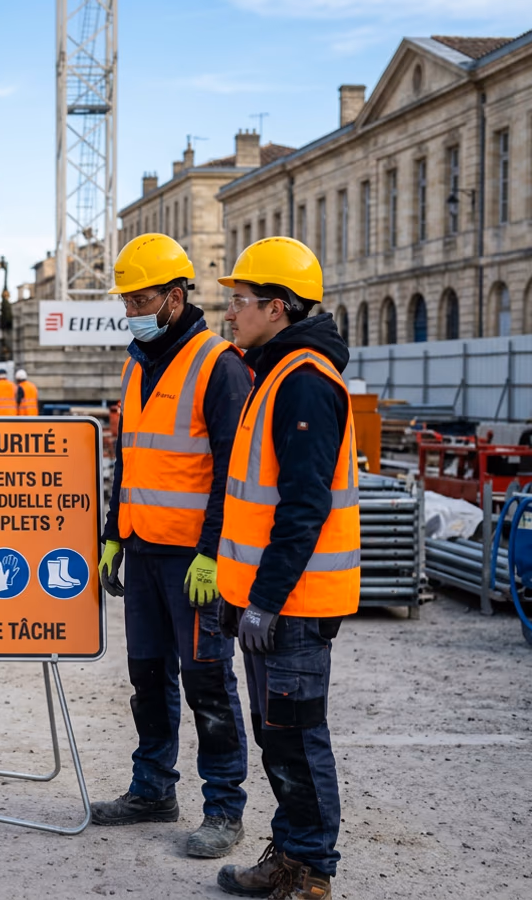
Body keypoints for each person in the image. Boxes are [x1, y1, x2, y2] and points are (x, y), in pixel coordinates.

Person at [91, 233, 253, 859]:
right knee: (148, 677)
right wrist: (113, 535)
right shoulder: (137, 363)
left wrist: (213, 552)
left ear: (176, 297)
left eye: (140, 299)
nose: (130, 310)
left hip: (193, 560)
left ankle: (224, 808)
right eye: (126, 300)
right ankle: (153, 788)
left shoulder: (219, 364)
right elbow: (129, 460)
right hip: (144, 551)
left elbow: (233, 470)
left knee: (207, 681)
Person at [212, 237, 359, 899]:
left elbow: (304, 505)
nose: (230, 312)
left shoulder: (303, 381)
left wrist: (266, 599)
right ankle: (292, 853)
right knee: (279, 739)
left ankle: (311, 871)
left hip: (294, 606)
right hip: (272, 603)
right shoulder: (274, 373)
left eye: (240, 300)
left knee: (297, 740)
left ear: (277, 307)